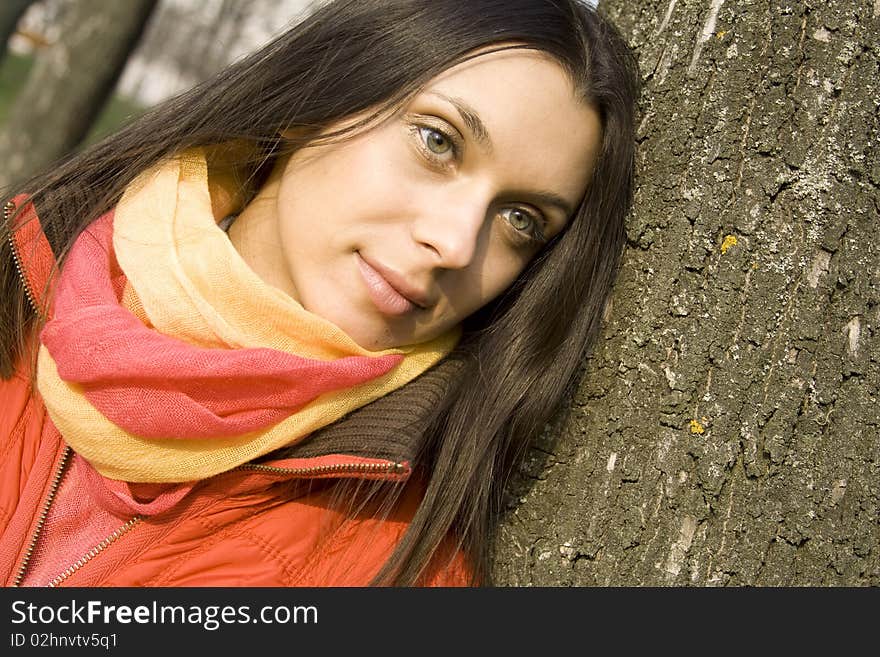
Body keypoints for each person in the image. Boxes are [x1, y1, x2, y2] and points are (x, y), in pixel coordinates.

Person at [0, 0, 639, 587]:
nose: (455, 244)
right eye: (437, 141)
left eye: (521, 220)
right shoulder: (18, 291)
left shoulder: (403, 565)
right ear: (319, 99)